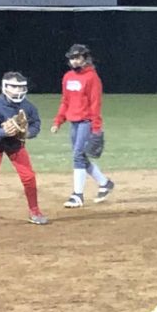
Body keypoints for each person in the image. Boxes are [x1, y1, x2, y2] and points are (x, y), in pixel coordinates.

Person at [0, 71, 48, 229]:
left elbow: (36, 124)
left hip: (15, 144)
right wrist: (4, 132)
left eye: (20, 87)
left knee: (28, 177)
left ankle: (35, 211)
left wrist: (27, 133)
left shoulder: (28, 106)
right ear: (5, 87)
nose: (18, 91)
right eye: (13, 87)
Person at [52, 43, 115, 208]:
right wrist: (58, 121)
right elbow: (65, 101)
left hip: (86, 122)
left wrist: (96, 128)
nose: (74, 61)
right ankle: (105, 183)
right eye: (72, 58)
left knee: (78, 156)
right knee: (81, 156)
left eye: (78, 57)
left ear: (85, 58)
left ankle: (77, 195)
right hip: (73, 122)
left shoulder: (92, 78)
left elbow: (95, 105)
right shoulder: (67, 77)